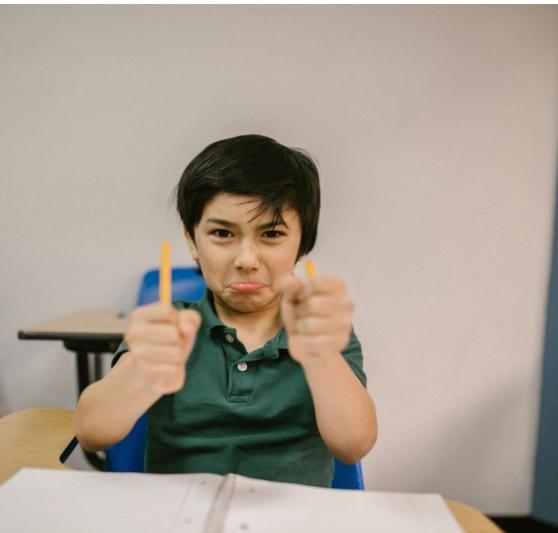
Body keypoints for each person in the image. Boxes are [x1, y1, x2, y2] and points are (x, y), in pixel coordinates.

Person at [74, 134, 377, 487]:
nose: (246, 260)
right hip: (177, 520)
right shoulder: (170, 326)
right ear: (192, 241)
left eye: (272, 234)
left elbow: (354, 446)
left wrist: (321, 358)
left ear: (303, 243)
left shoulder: (319, 329)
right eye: (222, 233)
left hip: (293, 527)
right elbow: (92, 433)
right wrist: (143, 372)